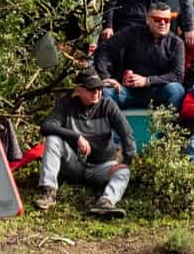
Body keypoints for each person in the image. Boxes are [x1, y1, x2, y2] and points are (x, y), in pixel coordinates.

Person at [35, 72, 136, 215]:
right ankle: (48, 192)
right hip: (74, 165)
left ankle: (106, 202)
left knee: (124, 171)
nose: (96, 92)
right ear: (79, 90)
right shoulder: (66, 105)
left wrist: (126, 160)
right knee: (53, 139)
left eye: (99, 88)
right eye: (91, 89)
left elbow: (127, 133)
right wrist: (77, 137)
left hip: (102, 166)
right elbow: (47, 126)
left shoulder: (108, 106)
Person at [93, 2, 186, 111]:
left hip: (158, 94)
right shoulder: (132, 32)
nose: (163, 23)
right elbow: (104, 50)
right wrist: (105, 78)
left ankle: (167, 127)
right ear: (148, 19)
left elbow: (177, 75)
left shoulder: (176, 43)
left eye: (167, 20)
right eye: (157, 19)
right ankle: (110, 127)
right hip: (125, 92)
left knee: (176, 90)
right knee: (105, 91)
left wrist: (147, 81)